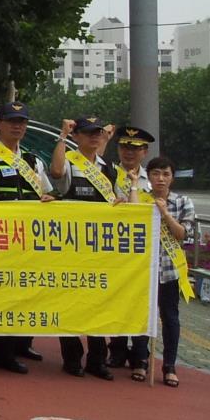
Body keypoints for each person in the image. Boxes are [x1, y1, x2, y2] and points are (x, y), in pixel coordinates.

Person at [0, 101, 54, 373]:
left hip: (24, 242)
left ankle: (5, 352)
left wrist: (49, 200)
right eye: (12, 121)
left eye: (22, 122)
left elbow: (45, 193)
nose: (17, 126)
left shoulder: (33, 161)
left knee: (17, 296)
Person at [48, 116, 121, 379]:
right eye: (88, 133)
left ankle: (97, 360)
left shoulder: (108, 167)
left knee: (99, 304)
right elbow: (56, 174)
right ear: (76, 136)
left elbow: (116, 200)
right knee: (69, 302)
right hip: (70, 247)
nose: (94, 137)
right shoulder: (68, 159)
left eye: (98, 133)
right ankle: (72, 358)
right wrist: (61, 136)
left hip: (98, 249)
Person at [130, 156, 194, 387]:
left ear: (172, 178)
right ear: (150, 176)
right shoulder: (143, 198)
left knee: (170, 318)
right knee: (141, 316)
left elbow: (183, 234)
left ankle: (169, 366)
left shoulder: (183, 202)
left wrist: (165, 213)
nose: (161, 179)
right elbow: (134, 217)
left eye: (166, 174)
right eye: (156, 173)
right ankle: (140, 360)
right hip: (143, 270)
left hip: (170, 270)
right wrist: (134, 186)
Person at [108, 125, 155, 368]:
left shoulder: (152, 179)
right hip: (115, 251)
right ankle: (116, 350)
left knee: (140, 303)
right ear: (118, 149)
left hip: (142, 255)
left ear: (144, 152)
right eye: (125, 147)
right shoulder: (106, 174)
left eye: (135, 148)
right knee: (117, 302)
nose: (129, 153)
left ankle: (140, 353)